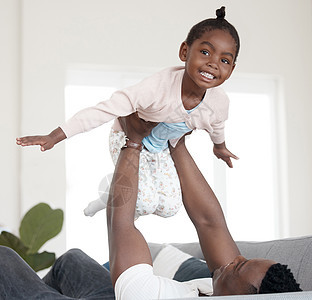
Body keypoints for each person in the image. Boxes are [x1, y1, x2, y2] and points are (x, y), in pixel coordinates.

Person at [2, 114, 301, 299]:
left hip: (127, 293)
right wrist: (177, 142)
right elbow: (210, 222)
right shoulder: (226, 286)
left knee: (3, 260)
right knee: (72, 261)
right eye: (241, 259)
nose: (232, 260)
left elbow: (121, 223)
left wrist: (133, 142)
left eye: (238, 267)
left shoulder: (146, 294)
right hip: (115, 294)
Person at [16, 7, 239, 220]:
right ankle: (110, 195)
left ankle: (112, 195)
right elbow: (103, 110)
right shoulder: (156, 88)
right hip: (126, 137)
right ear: (184, 51)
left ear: (231, 69)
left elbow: (217, 125)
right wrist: (54, 136)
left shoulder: (218, 103)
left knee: (169, 208)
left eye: (224, 60)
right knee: (144, 202)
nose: (213, 64)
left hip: (160, 149)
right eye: (205, 52)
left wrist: (219, 147)